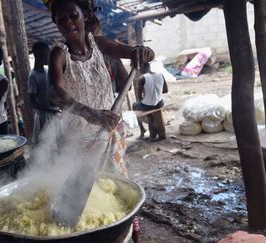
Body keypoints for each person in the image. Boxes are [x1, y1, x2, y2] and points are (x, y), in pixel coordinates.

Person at [43, 1, 154, 242]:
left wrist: (142, 52)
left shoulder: (100, 45)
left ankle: (129, 235)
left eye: (72, 15)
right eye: (61, 19)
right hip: (80, 140)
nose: (67, 22)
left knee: (119, 189)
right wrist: (92, 114)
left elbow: (131, 51)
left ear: (86, 15)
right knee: (88, 195)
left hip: (111, 133)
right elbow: (55, 93)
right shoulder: (59, 54)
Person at [28, 41, 60, 143]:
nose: (49, 57)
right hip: (43, 117)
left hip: (53, 114)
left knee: (56, 143)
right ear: (41, 55)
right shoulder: (33, 76)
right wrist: (50, 110)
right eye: (47, 54)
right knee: (46, 144)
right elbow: (32, 103)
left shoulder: (47, 72)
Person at [132, 63, 168, 141]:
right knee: (149, 108)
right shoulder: (160, 75)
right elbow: (165, 90)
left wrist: (147, 94)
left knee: (134, 105)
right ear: (149, 67)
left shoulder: (142, 78)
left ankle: (142, 129)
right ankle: (152, 132)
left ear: (141, 69)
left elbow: (139, 97)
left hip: (148, 106)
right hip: (159, 103)